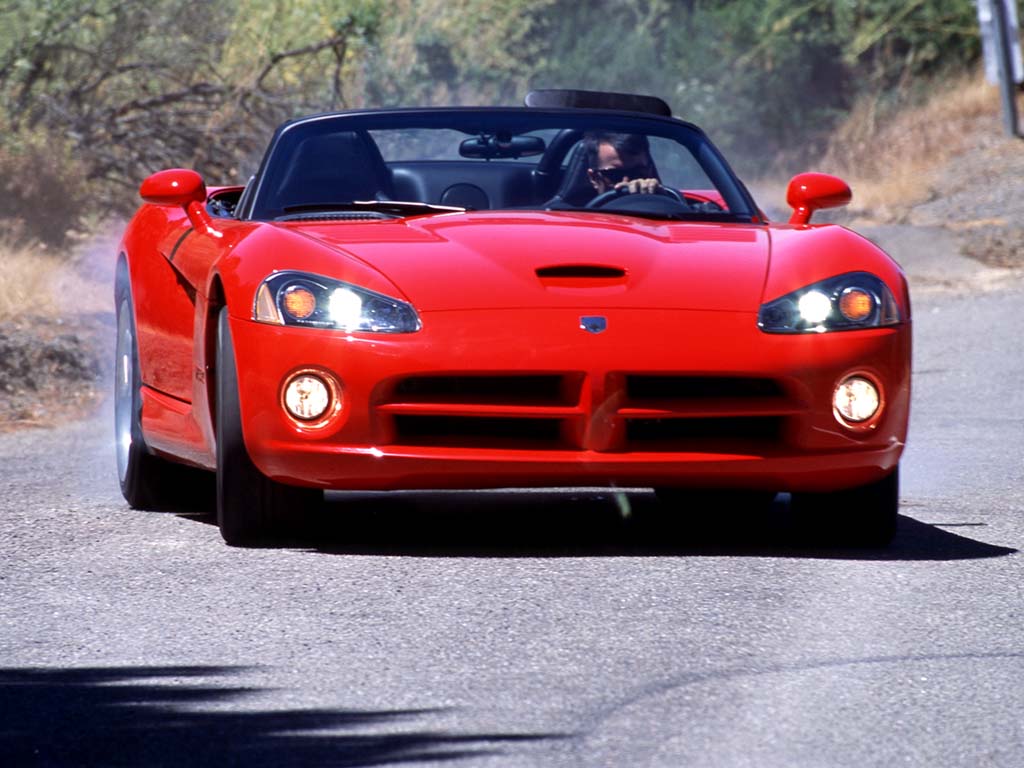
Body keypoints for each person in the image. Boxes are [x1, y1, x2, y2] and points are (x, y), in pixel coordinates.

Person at [583, 132, 661, 197]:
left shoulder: (663, 209)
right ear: (594, 178)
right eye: (615, 175)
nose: (626, 184)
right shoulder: (577, 212)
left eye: (638, 173)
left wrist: (660, 200)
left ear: (649, 171)